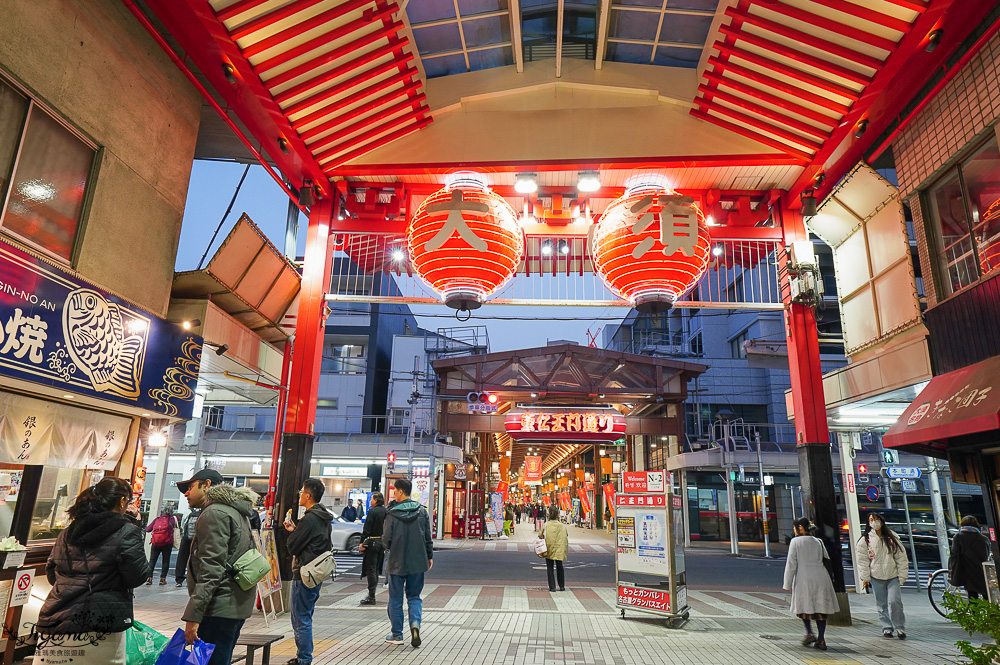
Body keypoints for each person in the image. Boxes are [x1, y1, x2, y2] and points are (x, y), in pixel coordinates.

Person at [35, 477, 147, 664]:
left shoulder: (67, 532)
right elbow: (137, 576)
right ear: (122, 502)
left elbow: (52, 573)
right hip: (100, 626)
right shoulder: (126, 532)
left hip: (55, 621)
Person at [179, 469, 259, 665]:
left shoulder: (214, 513)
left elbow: (211, 568)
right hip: (234, 604)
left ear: (206, 484)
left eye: (190, 487)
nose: (186, 493)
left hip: (218, 608)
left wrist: (193, 616)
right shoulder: (235, 510)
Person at [284, 478, 334, 665]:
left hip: (304, 572)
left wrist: (293, 533)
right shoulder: (323, 517)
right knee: (305, 615)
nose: (299, 495)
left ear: (308, 495)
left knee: (301, 618)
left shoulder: (309, 518)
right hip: (316, 572)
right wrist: (296, 530)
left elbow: (293, 546)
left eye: (301, 492)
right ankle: (303, 657)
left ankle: (304, 659)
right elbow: (316, 542)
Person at [382, 478, 433, 648]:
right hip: (418, 561)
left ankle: (397, 634)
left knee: (395, 598)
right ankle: (415, 624)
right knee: (414, 596)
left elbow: (386, 539)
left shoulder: (392, 514)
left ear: (400, 491)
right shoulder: (422, 511)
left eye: (395, 491)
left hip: (396, 561)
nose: (394, 494)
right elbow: (427, 537)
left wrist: (390, 546)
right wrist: (429, 556)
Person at [783, 518, 839, 651]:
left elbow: (791, 564)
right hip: (821, 577)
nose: (794, 529)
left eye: (795, 527)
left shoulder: (795, 542)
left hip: (804, 578)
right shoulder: (818, 541)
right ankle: (821, 638)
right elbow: (827, 559)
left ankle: (809, 633)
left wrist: (787, 583)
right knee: (821, 608)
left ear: (801, 528)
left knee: (804, 607)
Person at [856, 511, 909, 639]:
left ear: (881, 521)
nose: (874, 522)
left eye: (876, 519)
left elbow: (901, 557)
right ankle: (887, 628)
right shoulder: (865, 539)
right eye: (871, 520)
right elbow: (862, 560)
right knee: (881, 604)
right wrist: (865, 577)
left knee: (895, 602)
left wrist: (902, 575)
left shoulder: (892, 537)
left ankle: (900, 628)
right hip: (876, 576)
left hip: (892, 576)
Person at [949, 515, 991, 600]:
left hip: (967, 570)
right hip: (981, 570)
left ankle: (974, 608)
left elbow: (954, 554)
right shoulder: (984, 539)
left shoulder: (958, 537)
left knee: (972, 596)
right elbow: (986, 554)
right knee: (986, 594)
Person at [359, 491, 387, 605]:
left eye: (371, 499)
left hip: (372, 542)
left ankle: (371, 596)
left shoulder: (372, 511)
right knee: (376, 569)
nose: (370, 501)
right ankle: (372, 594)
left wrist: (362, 542)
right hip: (382, 542)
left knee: (371, 569)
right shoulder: (386, 511)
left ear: (375, 500)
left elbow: (367, 528)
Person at [145, 505, 177, 585]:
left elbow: (148, 529)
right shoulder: (172, 519)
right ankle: (162, 579)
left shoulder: (157, 519)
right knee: (165, 561)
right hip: (167, 543)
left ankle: (149, 578)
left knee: (152, 560)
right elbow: (178, 519)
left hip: (156, 543)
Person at [542, 504, 568, 592]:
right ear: (557, 514)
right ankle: (562, 586)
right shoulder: (561, 526)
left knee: (550, 567)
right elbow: (566, 535)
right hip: (559, 548)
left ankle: (552, 587)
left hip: (549, 547)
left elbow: (540, 535)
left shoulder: (546, 525)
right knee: (559, 566)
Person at [175, 507, 201, 587]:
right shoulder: (203, 512)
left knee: (182, 558)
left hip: (186, 538)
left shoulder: (188, 511)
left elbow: (183, 524)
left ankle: (179, 580)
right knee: (195, 559)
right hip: (196, 539)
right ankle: (192, 580)